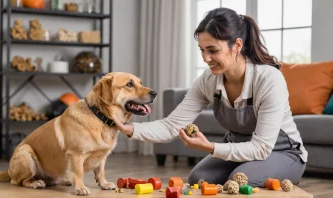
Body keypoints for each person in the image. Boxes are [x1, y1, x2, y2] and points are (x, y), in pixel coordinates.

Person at [112, 7, 307, 187]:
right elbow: (172, 125)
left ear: (237, 45)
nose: (206, 59)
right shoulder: (208, 80)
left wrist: (211, 147)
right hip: (238, 148)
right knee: (199, 178)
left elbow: (261, 148)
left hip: (280, 152)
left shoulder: (268, 79)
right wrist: (130, 128)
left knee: (238, 180)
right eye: (202, 50)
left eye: (213, 51)